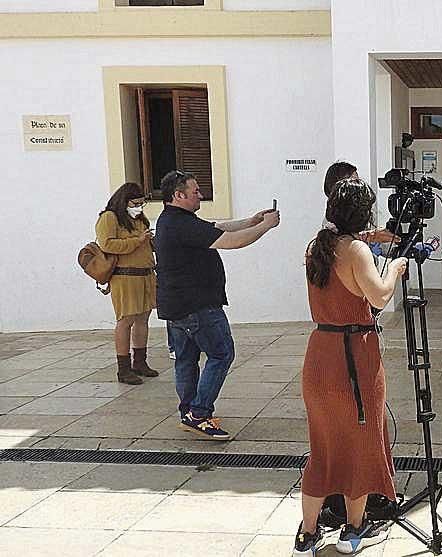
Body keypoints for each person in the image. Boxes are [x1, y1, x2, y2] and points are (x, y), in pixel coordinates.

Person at [294, 178, 407, 556]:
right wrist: (396, 269)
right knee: (360, 446)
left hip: (320, 355)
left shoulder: (317, 248)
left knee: (322, 449)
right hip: (354, 357)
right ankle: (352, 529)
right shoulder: (357, 250)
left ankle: (307, 535)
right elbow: (378, 295)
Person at [154, 170, 279, 440]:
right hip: (198, 306)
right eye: (195, 191)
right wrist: (265, 227)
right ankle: (199, 414)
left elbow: (218, 227)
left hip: (176, 306)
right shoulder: (182, 224)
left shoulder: (172, 221)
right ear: (178, 195)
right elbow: (232, 242)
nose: (200, 194)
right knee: (221, 354)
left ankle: (189, 411)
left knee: (186, 360)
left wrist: (252, 220)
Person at [95, 182, 158, 385]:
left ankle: (140, 362)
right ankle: (124, 368)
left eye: (142, 203)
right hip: (125, 277)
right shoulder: (109, 218)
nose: (139, 207)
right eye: (135, 203)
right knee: (126, 320)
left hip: (145, 275)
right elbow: (107, 244)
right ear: (124, 201)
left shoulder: (139, 219)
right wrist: (137, 241)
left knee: (143, 319)